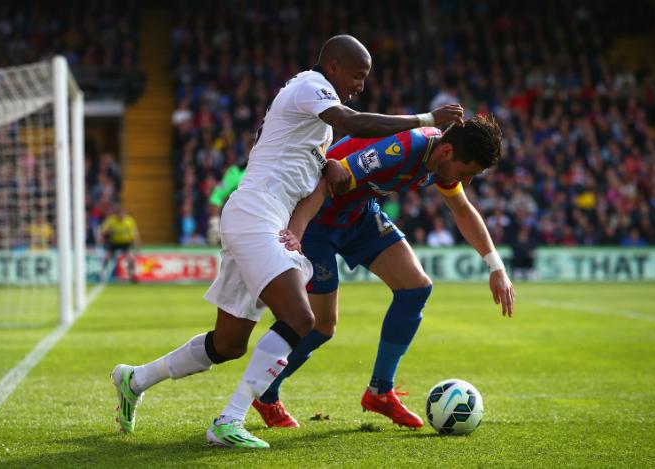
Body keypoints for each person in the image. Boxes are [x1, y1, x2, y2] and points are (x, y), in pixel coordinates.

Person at [111, 34, 464, 449]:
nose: (360, 86)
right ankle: (229, 420)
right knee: (301, 318)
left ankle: (135, 379)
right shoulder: (310, 86)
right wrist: (426, 119)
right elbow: (354, 122)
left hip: (256, 216)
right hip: (256, 214)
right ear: (333, 66)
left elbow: (293, 156)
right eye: (357, 76)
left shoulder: (313, 117)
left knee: (228, 344)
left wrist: (326, 167)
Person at [252, 115, 514, 429]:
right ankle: (265, 392)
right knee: (321, 325)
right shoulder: (402, 149)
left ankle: (380, 391)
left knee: (415, 288)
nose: (466, 182)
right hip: (317, 219)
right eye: (466, 173)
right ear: (447, 152)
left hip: (359, 215)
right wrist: (296, 232)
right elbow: (325, 183)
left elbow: (462, 209)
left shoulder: (441, 161)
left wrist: (496, 266)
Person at [99, 204, 141, 281]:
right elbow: (103, 232)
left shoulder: (129, 221)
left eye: (123, 214)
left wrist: (136, 246)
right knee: (107, 257)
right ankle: (102, 272)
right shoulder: (111, 220)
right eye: (120, 214)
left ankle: (132, 274)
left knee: (130, 258)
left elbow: (135, 234)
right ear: (117, 214)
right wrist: (108, 232)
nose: (122, 216)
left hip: (126, 243)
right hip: (114, 242)